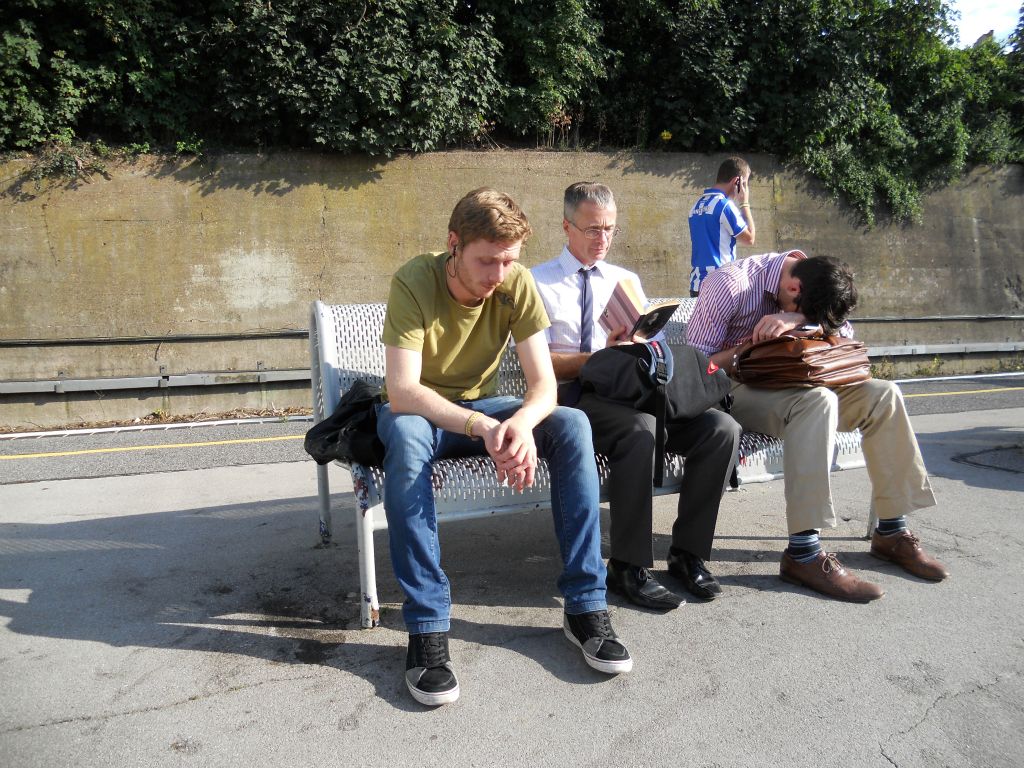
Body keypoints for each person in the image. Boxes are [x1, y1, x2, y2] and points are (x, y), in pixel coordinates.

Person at [377, 187, 633, 707]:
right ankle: (427, 627)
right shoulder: (414, 280)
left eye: (508, 261)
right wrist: (482, 427)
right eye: (486, 261)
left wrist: (519, 422)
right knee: (405, 436)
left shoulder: (515, 282)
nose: (498, 275)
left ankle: (584, 604)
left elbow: (544, 387)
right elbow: (403, 392)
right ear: (454, 244)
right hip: (425, 413)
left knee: (572, 424)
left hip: (486, 407)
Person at [686, 250, 949, 602]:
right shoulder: (729, 285)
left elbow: (840, 333)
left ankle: (891, 531)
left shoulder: (820, 278)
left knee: (885, 394)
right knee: (818, 402)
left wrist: (797, 322)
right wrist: (752, 347)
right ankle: (803, 553)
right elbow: (696, 368)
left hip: (804, 379)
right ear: (793, 288)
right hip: (738, 388)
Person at [531, 182, 742, 611]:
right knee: (639, 431)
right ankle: (626, 566)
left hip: (636, 389)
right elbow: (540, 365)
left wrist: (641, 345)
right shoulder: (537, 282)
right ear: (565, 227)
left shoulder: (625, 280)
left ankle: (688, 553)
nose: (602, 239)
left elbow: (653, 352)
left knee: (722, 428)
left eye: (609, 229)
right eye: (592, 229)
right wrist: (600, 357)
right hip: (578, 396)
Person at [688, 156, 756, 297]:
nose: (745, 188)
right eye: (745, 183)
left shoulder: (696, 206)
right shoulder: (724, 206)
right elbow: (749, 238)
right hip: (719, 285)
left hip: (696, 285)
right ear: (737, 181)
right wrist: (745, 203)